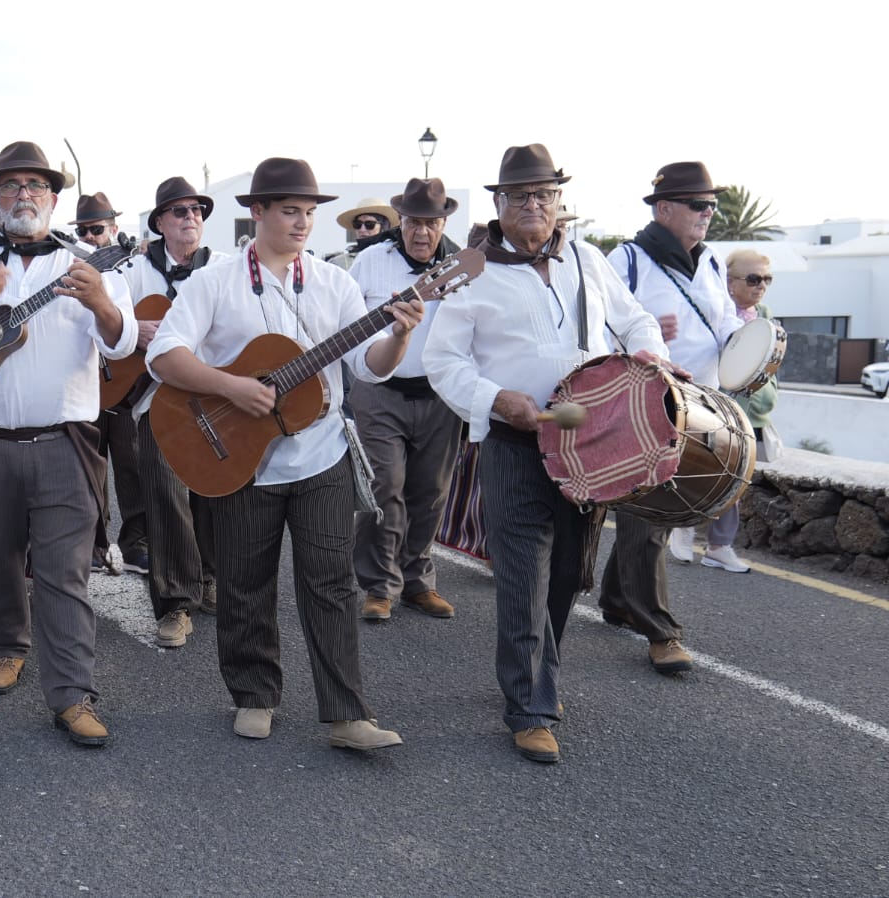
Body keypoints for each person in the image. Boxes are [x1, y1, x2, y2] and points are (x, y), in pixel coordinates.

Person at [147, 157, 421, 752]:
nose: (303, 223)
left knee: (332, 584)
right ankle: (253, 694)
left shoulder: (334, 283)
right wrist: (231, 387)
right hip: (240, 461)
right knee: (247, 582)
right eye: (290, 211)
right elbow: (164, 356)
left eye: (310, 212)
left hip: (322, 456)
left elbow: (368, 366)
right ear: (258, 212)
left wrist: (398, 334)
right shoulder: (214, 282)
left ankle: (347, 713)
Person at [424, 144, 672, 763]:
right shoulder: (470, 274)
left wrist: (649, 363)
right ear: (499, 206)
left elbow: (636, 322)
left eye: (544, 195)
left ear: (560, 202)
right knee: (522, 576)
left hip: (588, 444)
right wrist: (494, 397)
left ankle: (534, 666)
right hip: (513, 442)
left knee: (566, 573)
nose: (533, 206)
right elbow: (442, 362)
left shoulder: (588, 260)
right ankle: (529, 706)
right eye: (519, 197)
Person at [0, 140, 136, 746]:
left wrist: (102, 304)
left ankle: (72, 695)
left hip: (65, 441)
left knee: (65, 572)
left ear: (55, 199)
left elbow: (121, 343)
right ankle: (8, 645)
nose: (23, 196)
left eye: (35, 187)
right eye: (11, 187)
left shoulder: (90, 260)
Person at [598, 162, 744, 673]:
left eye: (711, 206)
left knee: (652, 514)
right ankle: (661, 631)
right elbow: (598, 327)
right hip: (647, 404)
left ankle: (617, 599)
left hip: (701, 405)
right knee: (654, 512)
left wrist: (752, 355)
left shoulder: (710, 262)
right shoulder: (628, 259)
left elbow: (726, 325)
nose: (709, 214)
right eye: (698, 205)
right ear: (664, 209)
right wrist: (640, 332)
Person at [348, 178, 462, 623]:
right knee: (384, 486)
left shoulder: (461, 267)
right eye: (414, 222)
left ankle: (417, 580)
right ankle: (379, 586)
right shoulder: (371, 261)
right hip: (380, 391)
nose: (422, 232)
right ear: (402, 221)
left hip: (438, 395)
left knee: (430, 492)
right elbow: (347, 320)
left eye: (431, 223)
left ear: (443, 223)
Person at [120, 176, 223, 648]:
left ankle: (211, 577)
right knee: (166, 495)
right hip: (156, 399)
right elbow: (108, 326)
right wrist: (131, 328)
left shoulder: (223, 269)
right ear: (159, 222)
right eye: (179, 212)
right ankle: (175, 604)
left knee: (216, 493)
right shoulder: (132, 273)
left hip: (215, 396)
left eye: (197, 211)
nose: (190, 219)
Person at [70, 190, 148, 576]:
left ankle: (136, 544)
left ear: (114, 229)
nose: (90, 237)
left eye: (97, 229)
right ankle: (97, 545)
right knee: (90, 470)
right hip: (85, 388)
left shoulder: (132, 269)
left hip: (125, 386)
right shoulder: (69, 268)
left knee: (132, 467)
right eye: (83, 230)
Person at [713, 249, 779, 562]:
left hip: (751, 415)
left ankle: (720, 546)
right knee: (703, 472)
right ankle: (684, 530)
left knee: (736, 482)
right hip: (716, 411)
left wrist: (768, 401)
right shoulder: (717, 315)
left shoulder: (767, 318)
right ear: (729, 283)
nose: (761, 285)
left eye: (766, 279)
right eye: (753, 278)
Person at [326, 198, 399, 270]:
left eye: (369, 224)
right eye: (358, 224)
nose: (362, 229)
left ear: (384, 227)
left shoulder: (398, 258)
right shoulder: (338, 263)